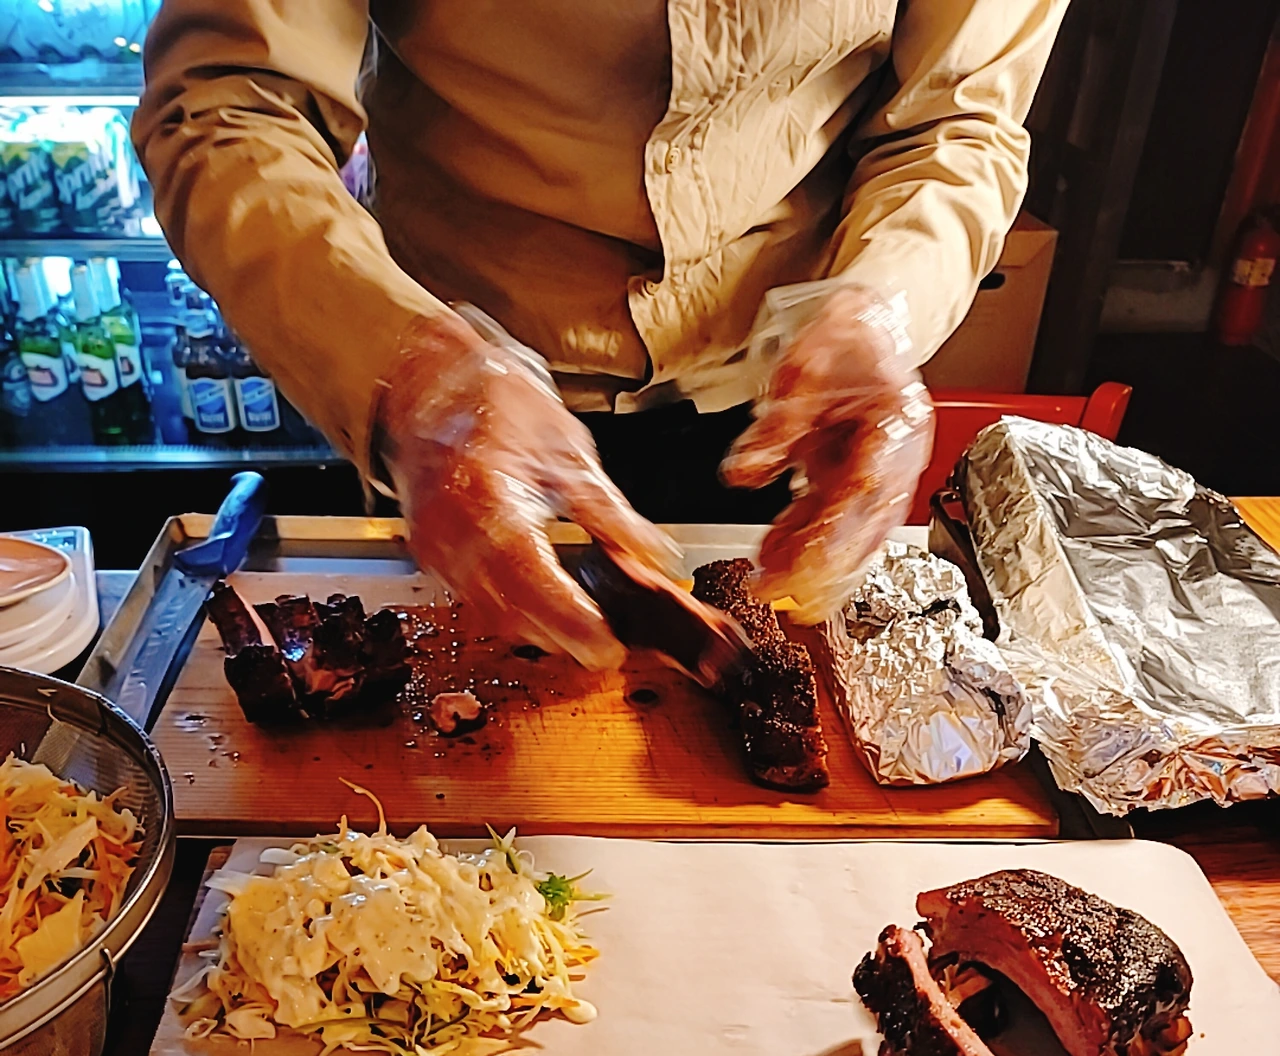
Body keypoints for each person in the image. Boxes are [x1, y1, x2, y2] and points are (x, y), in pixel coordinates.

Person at [134, 1, 1068, 669]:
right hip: (457, 417)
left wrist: (884, 306)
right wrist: (407, 371)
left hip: (781, 413)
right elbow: (225, 102)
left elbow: (960, 122)